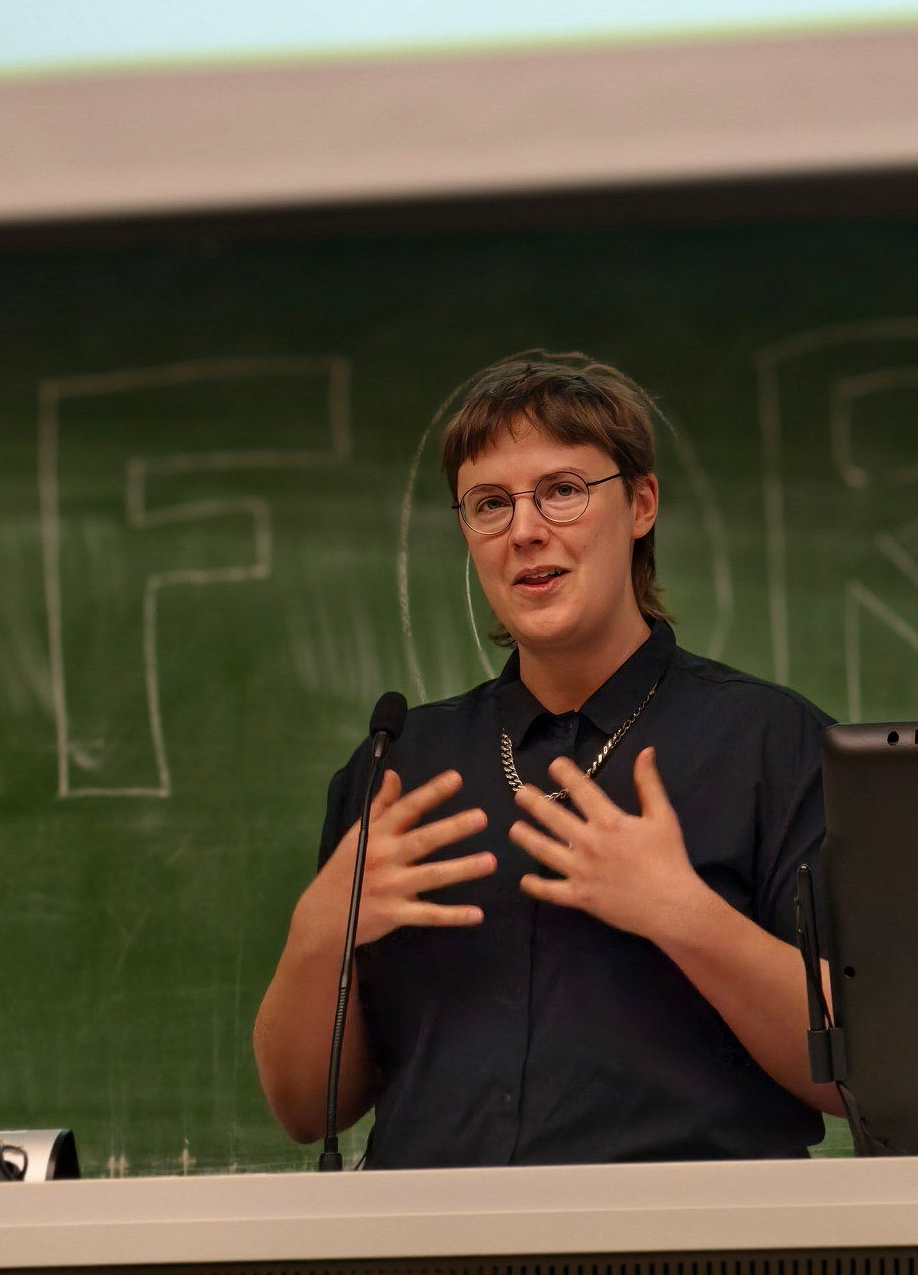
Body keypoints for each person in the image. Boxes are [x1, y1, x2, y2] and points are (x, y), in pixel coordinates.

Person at [253, 351, 839, 1164]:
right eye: (490, 504)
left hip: (692, 1245)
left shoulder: (773, 745)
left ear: (640, 504)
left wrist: (682, 913)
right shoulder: (402, 764)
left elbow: (861, 1070)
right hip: (425, 1247)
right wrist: (318, 934)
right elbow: (302, 1107)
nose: (526, 530)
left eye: (563, 491)